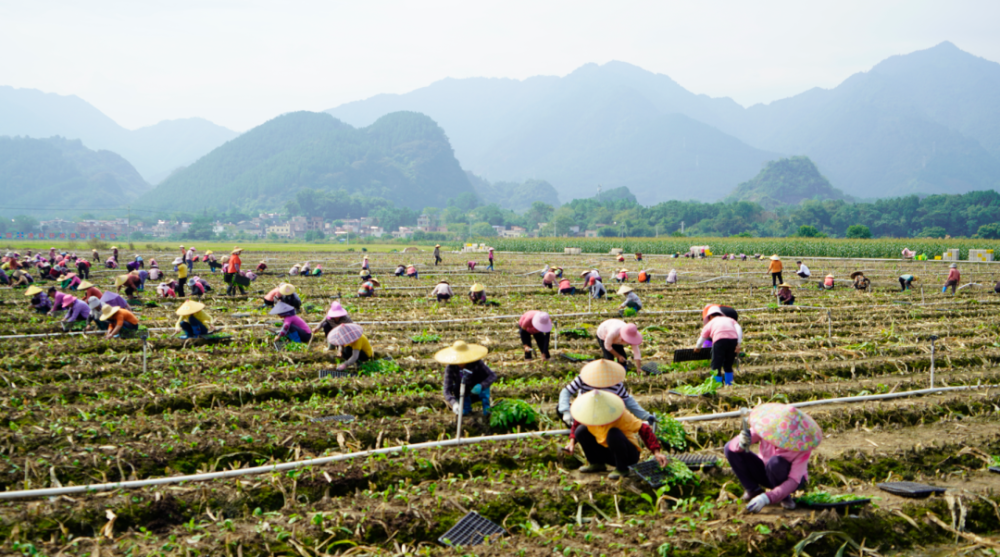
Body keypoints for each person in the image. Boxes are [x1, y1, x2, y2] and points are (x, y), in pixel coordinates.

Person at [725, 403, 821, 512]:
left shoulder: (803, 445)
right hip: (766, 471)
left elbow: (794, 480)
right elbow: (735, 446)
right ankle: (753, 490)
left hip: (787, 478)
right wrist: (741, 442)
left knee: (775, 463)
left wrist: (767, 498)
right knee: (729, 448)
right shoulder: (768, 429)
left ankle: (784, 496)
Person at [565, 390, 668, 481]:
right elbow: (576, 426)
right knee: (581, 431)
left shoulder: (620, 415)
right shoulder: (588, 415)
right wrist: (571, 444)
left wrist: (656, 452)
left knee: (613, 433)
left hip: (627, 455)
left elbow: (644, 429)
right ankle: (596, 463)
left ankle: (622, 469)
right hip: (608, 453)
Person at [557, 360, 653, 426]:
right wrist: (565, 411)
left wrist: (646, 416)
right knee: (559, 409)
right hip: (584, 410)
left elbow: (627, 401)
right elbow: (566, 391)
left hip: (605, 414)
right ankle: (576, 431)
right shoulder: (583, 378)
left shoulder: (616, 384)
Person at [437, 341, 496, 416]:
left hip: (478, 390)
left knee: (485, 397)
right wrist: (454, 403)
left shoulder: (476, 362)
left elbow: (492, 375)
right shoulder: (450, 368)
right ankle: (466, 409)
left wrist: (481, 385)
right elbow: (446, 391)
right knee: (464, 412)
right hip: (463, 392)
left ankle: (486, 410)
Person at [697, 306, 742, 386]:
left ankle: (717, 385)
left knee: (716, 365)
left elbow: (703, 337)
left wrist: (697, 347)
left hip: (719, 340)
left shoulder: (710, 322)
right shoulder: (730, 319)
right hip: (733, 340)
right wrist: (738, 344)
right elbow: (738, 329)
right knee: (728, 365)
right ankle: (729, 385)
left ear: (710, 316)